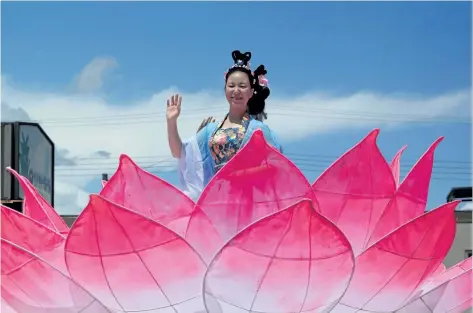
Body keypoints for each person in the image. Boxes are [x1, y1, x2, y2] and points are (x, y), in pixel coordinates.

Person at [166, 50, 283, 199]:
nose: (236, 90)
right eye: (231, 85)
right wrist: (171, 122)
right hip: (217, 200)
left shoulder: (258, 130)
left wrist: (239, 175)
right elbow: (179, 152)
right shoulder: (211, 131)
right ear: (225, 89)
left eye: (242, 86)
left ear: (252, 91)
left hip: (248, 200)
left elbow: (275, 166)